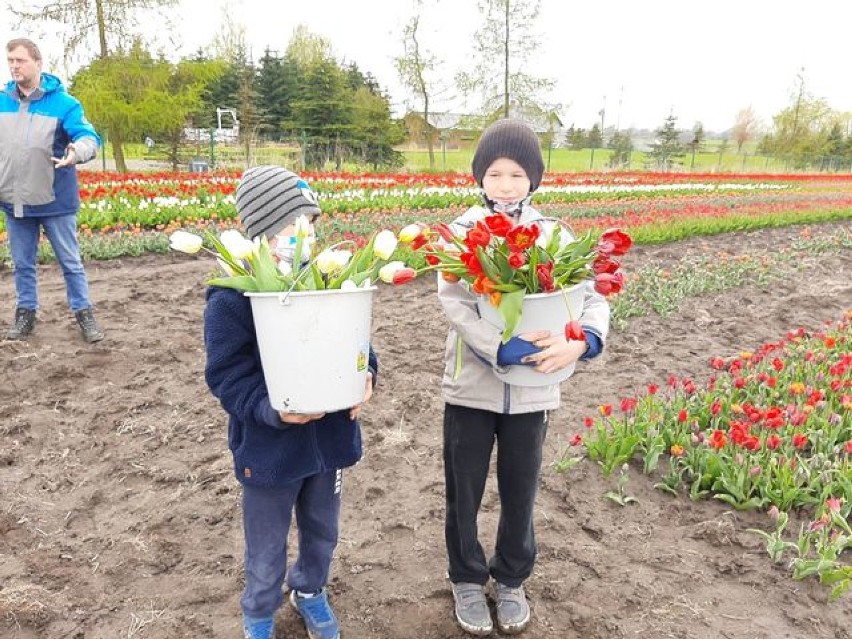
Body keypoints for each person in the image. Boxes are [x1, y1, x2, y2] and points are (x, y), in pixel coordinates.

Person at [437, 119, 610, 635]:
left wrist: (584, 340)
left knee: (521, 490)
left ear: (534, 178)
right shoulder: (463, 233)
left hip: (535, 391)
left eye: (517, 173)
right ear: (479, 178)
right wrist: (498, 347)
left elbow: (594, 294)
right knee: (463, 489)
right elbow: (455, 303)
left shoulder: (556, 235)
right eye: (495, 173)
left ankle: (511, 578)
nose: (506, 184)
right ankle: (466, 577)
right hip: (471, 386)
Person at [204, 165, 377, 639]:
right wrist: (272, 410)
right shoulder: (232, 298)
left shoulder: (329, 279)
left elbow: (357, 341)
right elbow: (226, 373)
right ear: (257, 234)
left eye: (310, 224)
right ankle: (259, 613)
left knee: (323, 530)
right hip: (270, 448)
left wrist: (366, 376)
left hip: (329, 441)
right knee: (266, 544)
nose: (303, 236)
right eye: (288, 228)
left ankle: (310, 590)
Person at [1, 38, 104, 342]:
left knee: (70, 263)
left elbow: (88, 137)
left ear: (38, 63)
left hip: (55, 200)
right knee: (22, 264)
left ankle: (84, 315)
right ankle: (25, 314)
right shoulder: (3, 100)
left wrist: (77, 153)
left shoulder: (65, 104)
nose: (14, 66)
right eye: (10, 61)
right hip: (14, 201)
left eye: (20, 60)